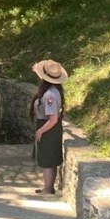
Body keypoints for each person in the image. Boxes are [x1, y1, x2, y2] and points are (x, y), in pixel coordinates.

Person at [30, 59, 67, 195]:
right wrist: (38, 71)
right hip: (50, 128)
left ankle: (48, 188)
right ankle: (49, 186)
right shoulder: (54, 90)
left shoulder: (50, 95)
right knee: (51, 159)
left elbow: (53, 119)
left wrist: (40, 131)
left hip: (48, 127)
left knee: (47, 160)